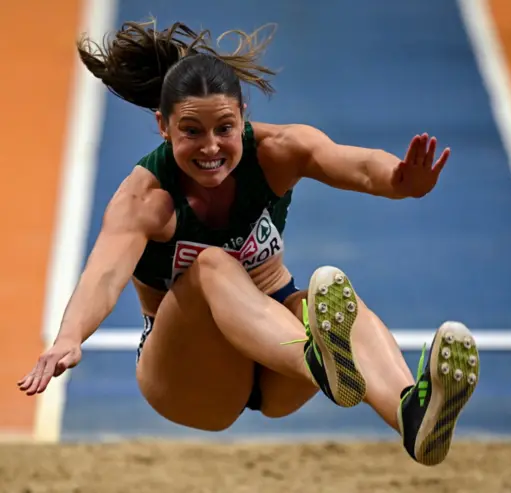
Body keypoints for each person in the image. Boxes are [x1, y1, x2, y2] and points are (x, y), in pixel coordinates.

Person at [17, 20, 480, 466]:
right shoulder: (147, 198)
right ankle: (318, 359)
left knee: (340, 302)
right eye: (191, 132)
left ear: (242, 116)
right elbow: (104, 273)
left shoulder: (279, 151)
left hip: (276, 368)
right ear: (163, 126)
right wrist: (69, 338)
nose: (211, 147)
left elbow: (356, 165)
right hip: (191, 380)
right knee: (211, 265)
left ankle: (411, 415)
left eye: (224, 128)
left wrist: (401, 181)